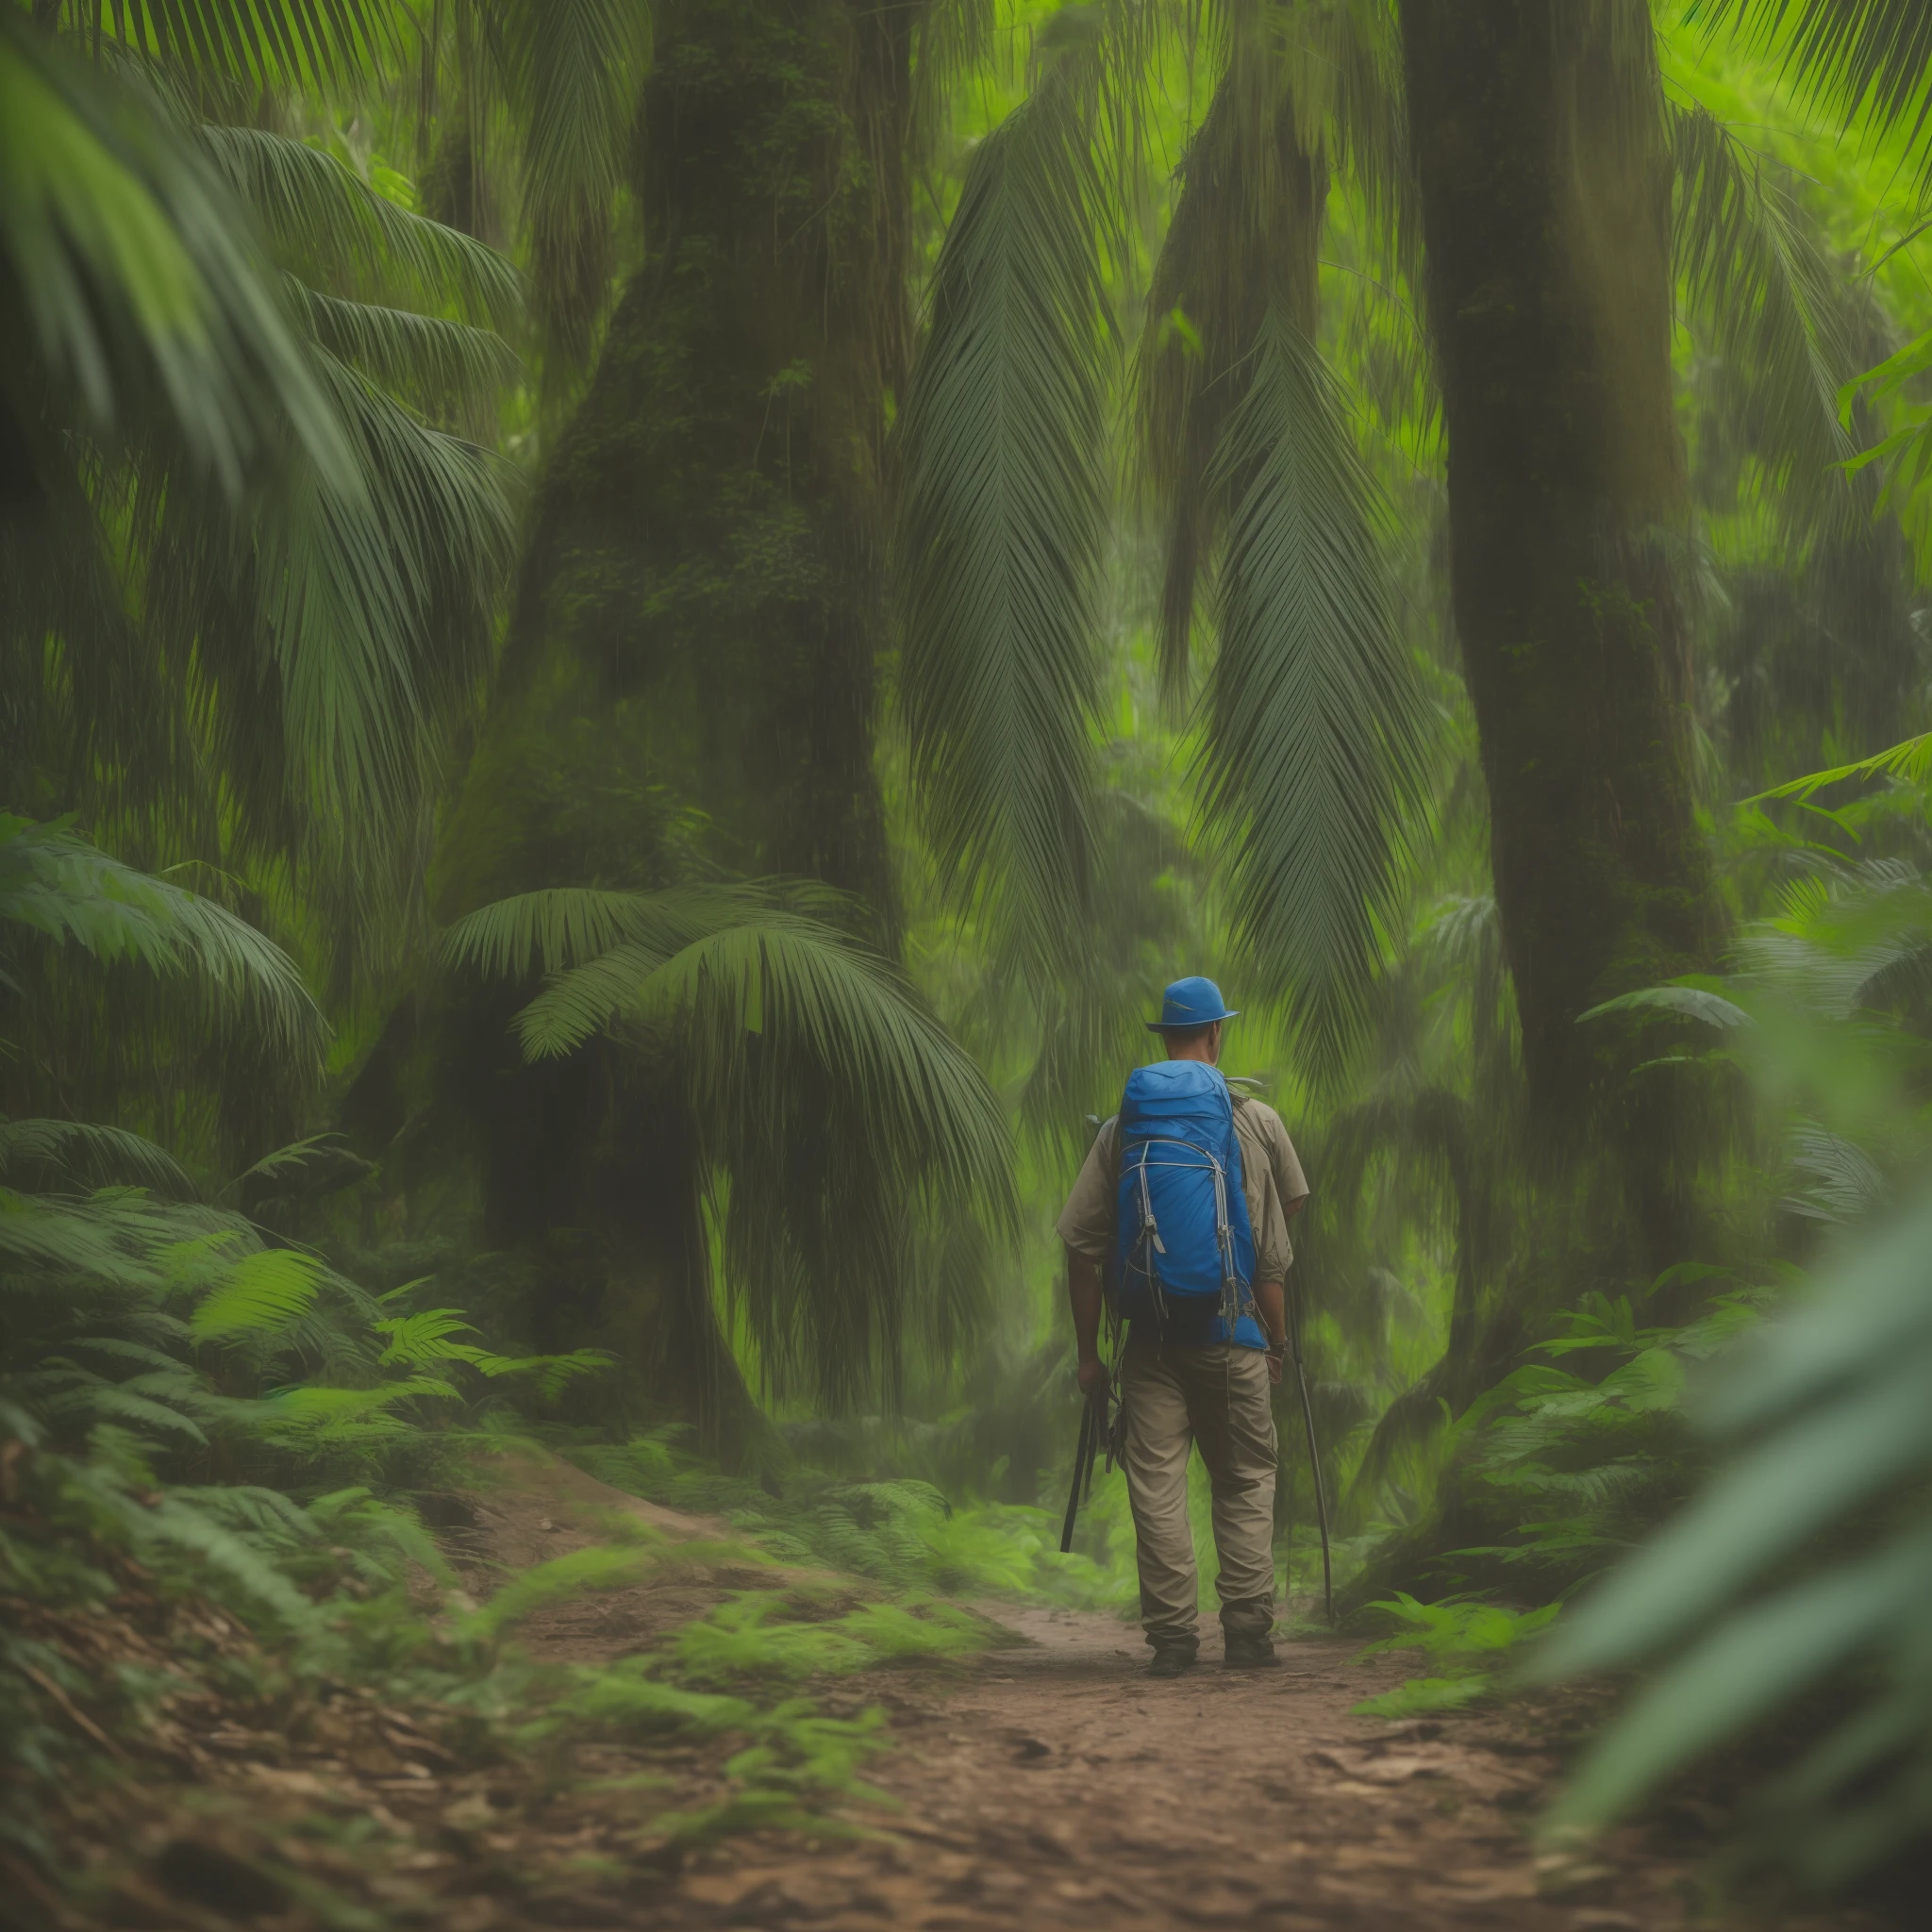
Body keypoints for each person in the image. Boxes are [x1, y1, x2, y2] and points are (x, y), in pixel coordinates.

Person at [1056, 975, 1309, 1676]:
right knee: (1246, 1477)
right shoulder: (1257, 1122)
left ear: (1163, 1038)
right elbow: (1274, 1257)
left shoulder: (1122, 1130)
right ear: (1216, 1034)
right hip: (1234, 1335)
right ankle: (1250, 1634)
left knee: (1158, 1486)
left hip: (1152, 1342)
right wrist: (1278, 1344)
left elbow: (1079, 1245)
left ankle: (1172, 1641)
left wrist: (1087, 1355)